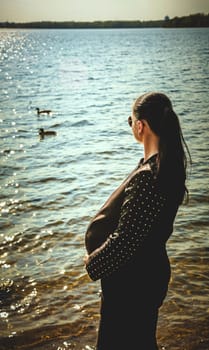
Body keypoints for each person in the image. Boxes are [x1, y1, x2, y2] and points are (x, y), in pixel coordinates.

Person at [84, 91, 191, 350]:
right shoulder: (165, 167)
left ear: (140, 126)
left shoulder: (148, 177)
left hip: (131, 284)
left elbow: (127, 239)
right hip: (146, 276)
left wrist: (92, 262)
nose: (131, 125)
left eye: (130, 121)